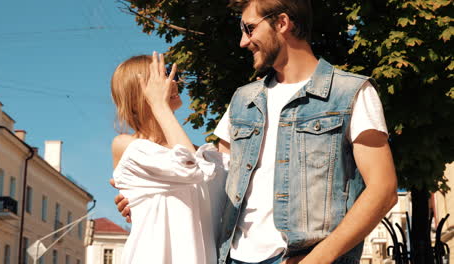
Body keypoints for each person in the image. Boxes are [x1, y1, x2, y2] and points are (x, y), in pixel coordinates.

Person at [114, 0, 398, 263]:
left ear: (283, 23)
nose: (243, 41)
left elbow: (383, 191)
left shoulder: (350, 92)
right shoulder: (243, 100)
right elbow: (211, 178)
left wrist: (316, 260)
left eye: (249, 28)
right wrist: (149, 196)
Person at [110, 52, 228, 264]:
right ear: (136, 96)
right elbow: (188, 169)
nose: (172, 83)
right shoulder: (128, 146)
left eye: (169, 76)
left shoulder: (205, 154)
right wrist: (160, 107)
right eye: (160, 79)